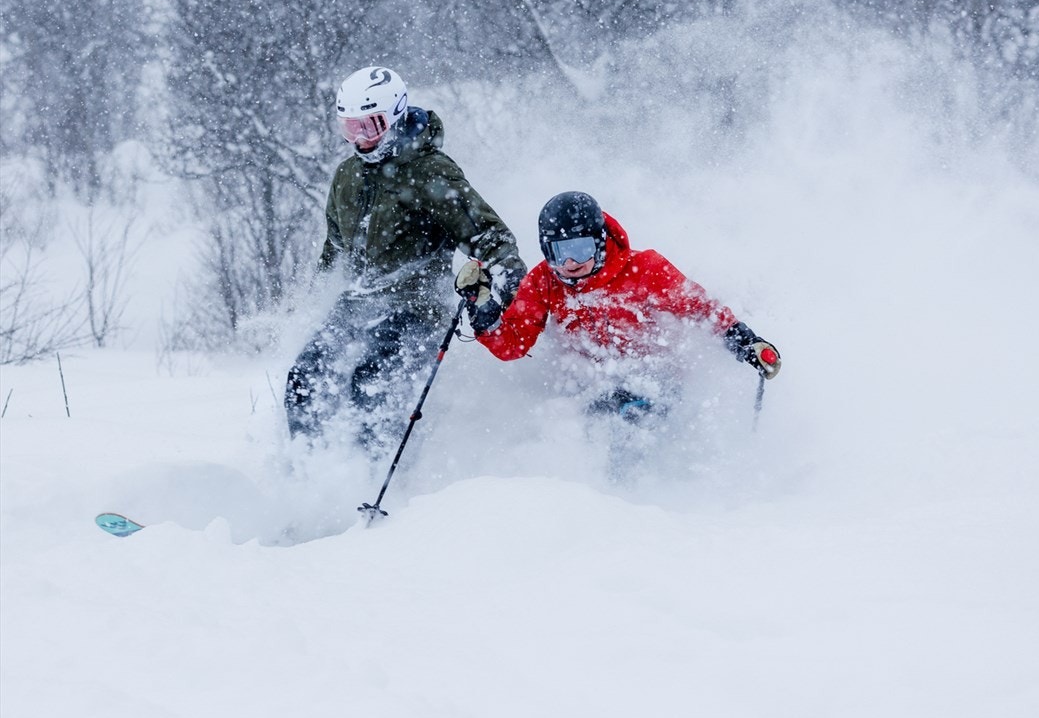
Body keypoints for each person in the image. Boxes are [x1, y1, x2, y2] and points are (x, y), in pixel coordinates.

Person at [285, 65, 525, 446]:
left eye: (371, 126)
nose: (361, 140)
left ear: (396, 115)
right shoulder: (346, 176)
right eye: (351, 128)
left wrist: (503, 287)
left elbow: (489, 235)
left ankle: (375, 467)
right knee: (303, 379)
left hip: (416, 308)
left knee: (370, 381)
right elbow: (334, 251)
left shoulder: (429, 172)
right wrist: (316, 300)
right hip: (357, 303)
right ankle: (308, 464)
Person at [455, 189, 779, 422]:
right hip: (589, 389)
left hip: (653, 381)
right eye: (558, 252)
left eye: (580, 249)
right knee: (592, 421)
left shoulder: (644, 269)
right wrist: (480, 306)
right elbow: (513, 343)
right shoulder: (544, 281)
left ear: (598, 241)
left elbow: (701, 309)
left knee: (631, 419)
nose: (569, 263)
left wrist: (745, 341)